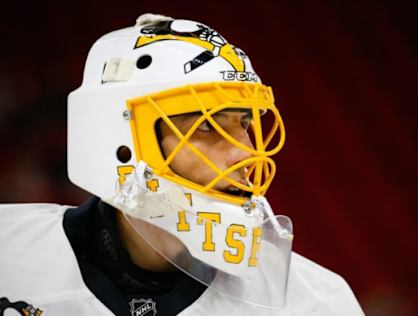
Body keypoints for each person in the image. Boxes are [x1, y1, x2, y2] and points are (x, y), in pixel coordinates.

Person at [0, 14, 364, 316]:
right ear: (116, 137)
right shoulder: (9, 251)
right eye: (206, 125)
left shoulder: (319, 303)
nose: (246, 153)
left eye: (245, 123)